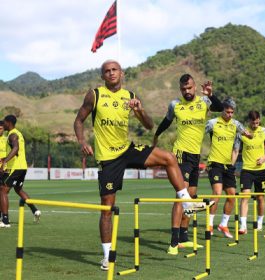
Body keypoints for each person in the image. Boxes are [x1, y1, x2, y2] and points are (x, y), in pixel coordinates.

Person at [74, 60, 209, 270]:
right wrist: (82, 141)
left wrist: (139, 110)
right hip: (108, 158)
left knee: (169, 158)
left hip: (127, 149)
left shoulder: (130, 96)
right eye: (107, 71)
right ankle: (107, 256)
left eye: (114, 70)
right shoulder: (95, 94)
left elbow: (149, 125)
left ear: (122, 73)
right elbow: (79, 120)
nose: (111, 73)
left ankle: (186, 202)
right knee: (107, 209)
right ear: (102, 76)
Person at [153, 74, 222, 255]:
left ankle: (184, 237)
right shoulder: (175, 105)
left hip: (195, 156)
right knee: (181, 197)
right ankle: (173, 242)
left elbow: (221, 108)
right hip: (180, 155)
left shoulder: (204, 102)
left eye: (189, 88)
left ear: (194, 86)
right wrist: (156, 135)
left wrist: (211, 94)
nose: (187, 91)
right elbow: (166, 122)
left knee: (190, 197)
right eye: (183, 89)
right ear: (180, 89)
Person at [206, 98, 251, 238]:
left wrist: (249, 135)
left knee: (232, 196)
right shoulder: (212, 123)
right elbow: (199, 132)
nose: (230, 114)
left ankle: (223, 225)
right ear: (222, 110)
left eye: (232, 112)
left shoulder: (236, 124)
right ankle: (209, 224)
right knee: (217, 193)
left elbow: (246, 133)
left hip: (228, 166)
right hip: (214, 163)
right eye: (228, 112)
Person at [232, 111, 265, 234]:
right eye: (253, 122)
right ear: (248, 121)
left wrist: (264, 158)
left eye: (257, 122)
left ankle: (259, 222)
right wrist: (230, 167)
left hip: (261, 171)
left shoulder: (264, 131)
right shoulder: (241, 133)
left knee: (260, 198)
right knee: (245, 196)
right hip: (247, 170)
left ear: (259, 120)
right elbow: (235, 150)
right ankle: (243, 226)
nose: (255, 125)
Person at [0, 115, 41, 228]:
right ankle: (35, 210)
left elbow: (16, 148)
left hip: (16, 167)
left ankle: (5, 220)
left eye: (4, 123)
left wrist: (5, 161)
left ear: (9, 123)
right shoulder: (18, 133)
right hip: (22, 167)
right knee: (18, 189)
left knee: (3, 190)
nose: (3, 124)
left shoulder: (12, 134)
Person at [0, 120, 8, 221]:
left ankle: (5, 217)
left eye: (1, 129)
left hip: (3, 170)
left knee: (2, 192)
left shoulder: (6, 140)